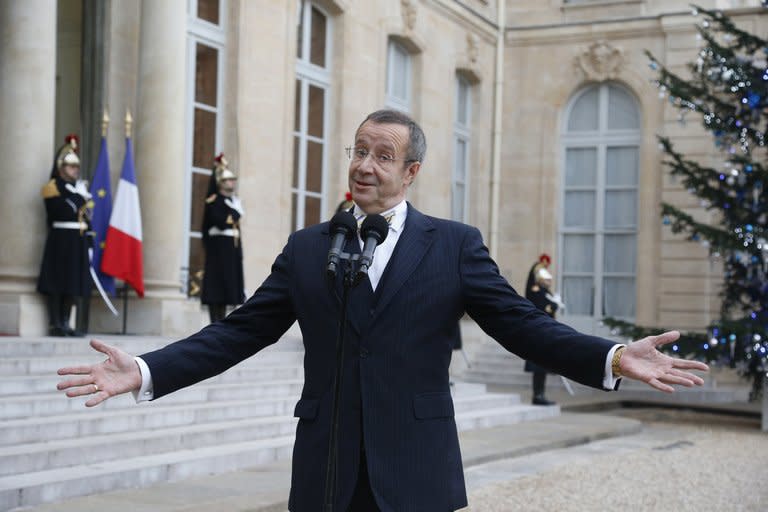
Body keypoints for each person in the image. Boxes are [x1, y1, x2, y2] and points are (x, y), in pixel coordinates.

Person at [57, 110, 709, 512]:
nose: (365, 165)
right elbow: (241, 331)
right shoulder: (309, 247)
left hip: (415, 468)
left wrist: (614, 355)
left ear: (412, 170)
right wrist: (144, 371)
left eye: (383, 155)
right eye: (359, 150)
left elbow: (519, 322)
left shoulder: (454, 246)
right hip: (325, 468)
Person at [38, 134, 93, 337]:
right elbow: (59, 212)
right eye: (71, 166)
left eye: (76, 167)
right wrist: (79, 197)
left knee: (72, 283)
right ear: (61, 168)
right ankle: (56, 324)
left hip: (76, 241)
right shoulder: (53, 188)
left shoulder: (78, 190)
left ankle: (67, 323)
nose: (75, 170)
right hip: (60, 240)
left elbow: (86, 218)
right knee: (58, 283)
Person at [201, 153, 246, 323]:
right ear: (220, 183)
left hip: (231, 249)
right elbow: (220, 222)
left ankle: (224, 321)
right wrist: (234, 213)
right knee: (216, 287)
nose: (232, 182)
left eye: (233, 179)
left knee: (230, 288)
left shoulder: (233, 201)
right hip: (219, 249)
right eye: (228, 180)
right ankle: (215, 321)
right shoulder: (214, 201)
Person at [523, 254, 561, 405]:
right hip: (538, 332)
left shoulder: (544, 290)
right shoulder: (535, 290)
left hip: (545, 331)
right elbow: (541, 308)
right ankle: (537, 395)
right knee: (539, 366)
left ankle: (540, 394)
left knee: (543, 366)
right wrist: (552, 306)